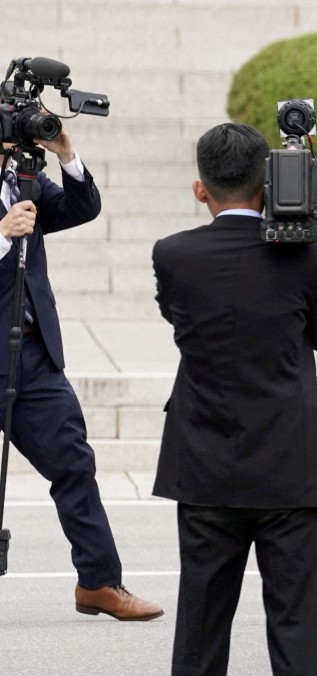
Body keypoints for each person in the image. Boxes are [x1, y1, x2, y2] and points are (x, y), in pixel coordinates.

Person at [151, 123, 317, 676]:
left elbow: (177, 317)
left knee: (200, 624)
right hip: (290, 464)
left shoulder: (173, 254)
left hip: (203, 459)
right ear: (269, 184)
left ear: (201, 190)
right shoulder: (309, 260)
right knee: (294, 625)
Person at [0, 132, 162, 621]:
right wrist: (2, 234)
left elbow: (81, 208)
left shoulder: (21, 177)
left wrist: (66, 155)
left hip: (31, 353)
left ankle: (98, 583)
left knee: (73, 463)